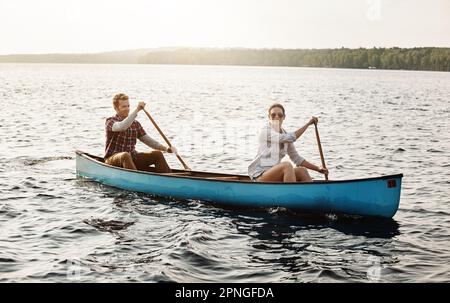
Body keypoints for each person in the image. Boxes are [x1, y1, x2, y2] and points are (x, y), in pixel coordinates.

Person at [248, 103, 328, 182]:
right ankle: (290, 193)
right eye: (273, 115)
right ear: (269, 117)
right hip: (259, 176)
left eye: (280, 115)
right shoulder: (266, 132)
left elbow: (296, 159)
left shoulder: (285, 134)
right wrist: (307, 124)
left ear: (284, 117)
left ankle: (310, 194)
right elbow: (291, 137)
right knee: (287, 165)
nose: (276, 117)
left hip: (274, 173)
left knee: (302, 171)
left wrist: (318, 169)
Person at [104, 93, 176, 173]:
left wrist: (166, 149)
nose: (127, 109)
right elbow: (122, 127)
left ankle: (168, 178)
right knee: (125, 155)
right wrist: (137, 109)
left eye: (128, 106)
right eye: (124, 106)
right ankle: (135, 179)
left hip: (131, 158)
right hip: (112, 159)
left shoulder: (135, 124)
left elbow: (148, 141)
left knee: (157, 154)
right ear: (116, 108)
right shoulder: (110, 122)